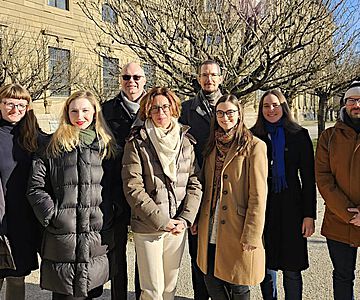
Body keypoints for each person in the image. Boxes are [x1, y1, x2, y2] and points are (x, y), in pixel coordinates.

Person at [27, 90, 117, 300]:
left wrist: (111, 212)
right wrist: (52, 215)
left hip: (96, 233)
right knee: (64, 293)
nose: (80, 116)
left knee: (91, 291)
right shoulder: (51, 146)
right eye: (74, 111)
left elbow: (115, 187)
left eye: (85, 110)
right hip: (63, 235)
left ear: (95, 112)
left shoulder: (107, 147)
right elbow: (35, 187)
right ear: (67, 113)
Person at [122, 86, 202, 300]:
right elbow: (133, 186)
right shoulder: (137, 142)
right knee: (152, 291)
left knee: (169, 289)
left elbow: (195, 183)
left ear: (174, 109)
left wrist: (185, 219)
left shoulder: (185, 141)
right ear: (148, 111)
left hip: (177, 226)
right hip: (149, 226)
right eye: (155, 108)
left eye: (165, 107)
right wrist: (161, 220)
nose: (161, 113)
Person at [196, 94, 267, 300]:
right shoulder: (211, 145)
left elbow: (258, 195)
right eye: (220, 113)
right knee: (210, 276)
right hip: (209, 221)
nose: (224, 117)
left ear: (239, 115)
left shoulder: (254, 146)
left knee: (238, 281)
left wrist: (252, 233)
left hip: (238, 224)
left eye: (229, 112)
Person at [251, 90, 316, 300]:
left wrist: (309, 215)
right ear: (261, 110)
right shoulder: (253, 136)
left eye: (275, 105)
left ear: (284, 107)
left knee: (292, 267)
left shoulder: (299, 135)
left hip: (292, 206)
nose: (271, 110)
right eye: (266, 106)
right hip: (264, 206)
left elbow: (308, 179)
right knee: (266, 264)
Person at [102, 62, 146, 300]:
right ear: (120, 80)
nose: (132, 81)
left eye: (136, 77)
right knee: (117, 254)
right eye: (127, 77)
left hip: (145, 193)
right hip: (115, 191)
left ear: (144, 79)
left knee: (144, 254)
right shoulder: (106, 110)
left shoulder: (154, 107)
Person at [179, 59, 223, 300]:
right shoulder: (186, 109)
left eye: (213, 75)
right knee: (197, 250)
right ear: (198, 78)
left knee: (221, 247)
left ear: (220, 78)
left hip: (223, 187)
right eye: (204, 75)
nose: (209, 79)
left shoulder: (229, 105)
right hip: (195, 186)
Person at [315, 81, 360, 300]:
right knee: (343, 276)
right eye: (351, 100)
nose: (356, 104)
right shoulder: (329, 137)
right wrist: (348, 213)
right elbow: (323, 178)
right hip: (339, 220)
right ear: (344, 104)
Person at [0, 83, 42, 300]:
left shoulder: (34, 136)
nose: (15, 109)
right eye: (9, 103)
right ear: (0, 105)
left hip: (23, 220)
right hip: (0, 218)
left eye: (21, 105)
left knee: (17, 278)